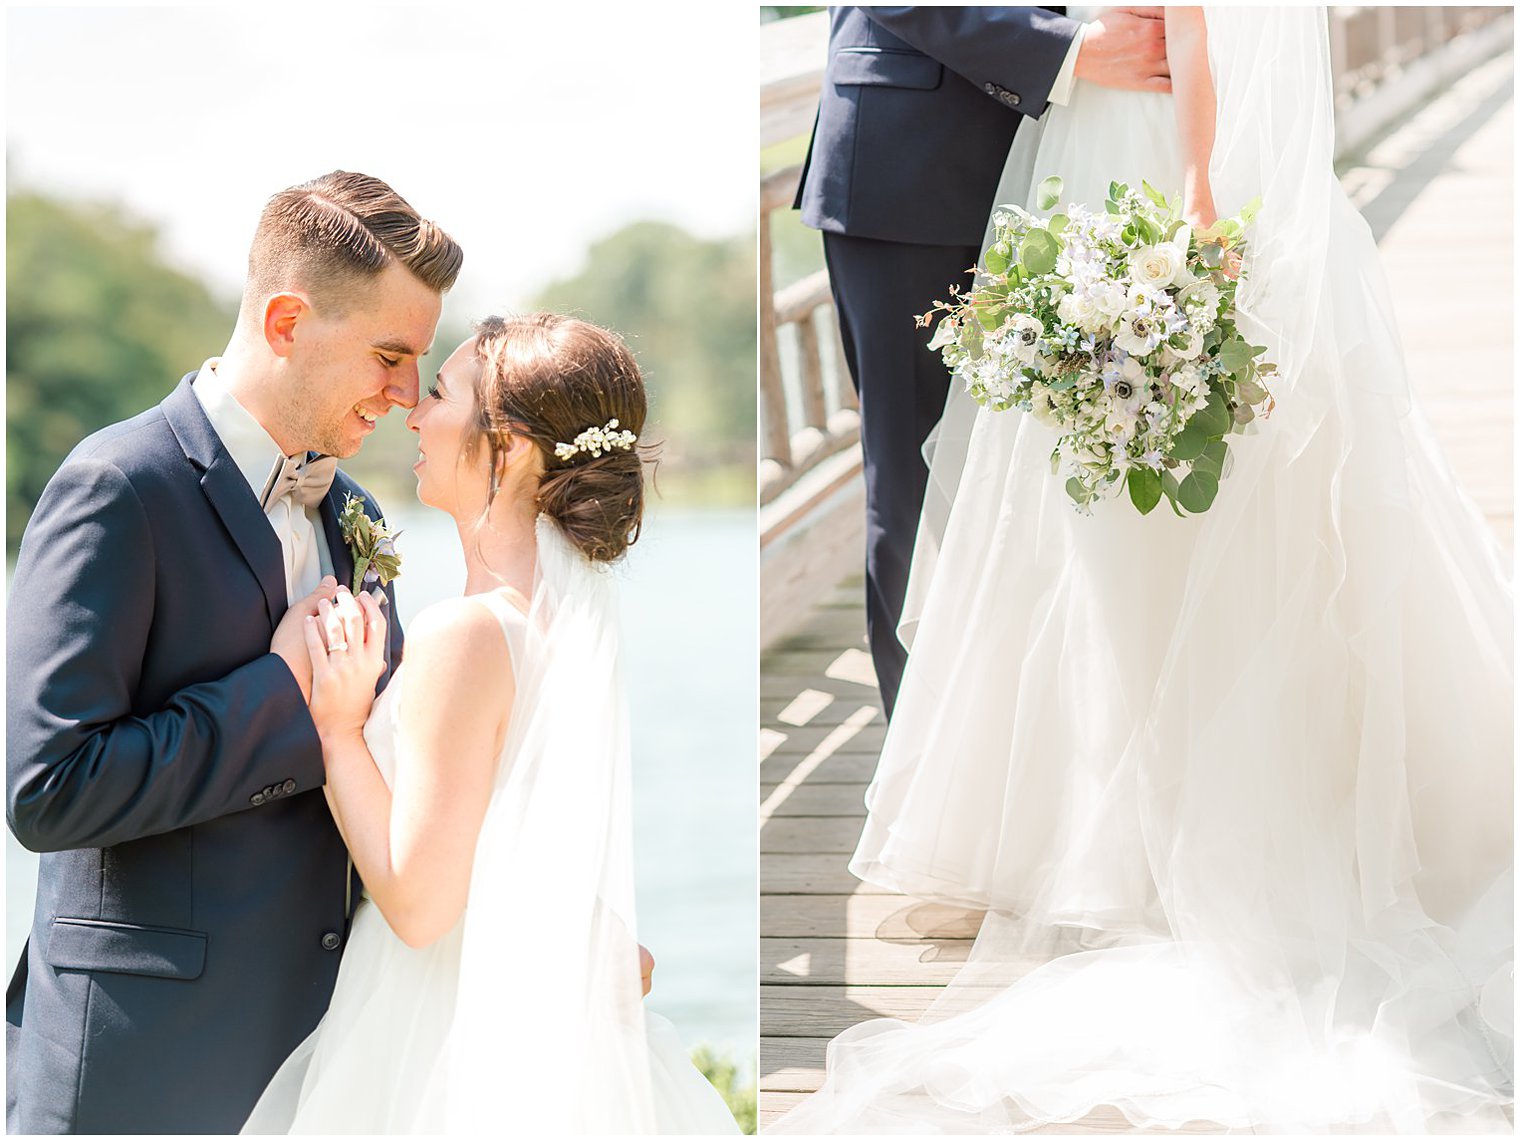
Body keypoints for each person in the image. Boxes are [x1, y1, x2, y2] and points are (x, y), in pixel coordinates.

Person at [779, 7, 1513, 1132]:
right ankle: (966, 826)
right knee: (936, 496)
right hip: (944, 149)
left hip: (1115, 147)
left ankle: (1127, 820)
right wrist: (1067, 58)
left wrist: (1193, 183)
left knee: (1101, 505)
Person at [6, 171, 461, 1134]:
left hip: (326, 1062)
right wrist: (285, 690)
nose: (406, 393)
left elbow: (393, 768)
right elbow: (47, 790)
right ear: (289, 321)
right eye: (389, 354)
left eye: (418, 362)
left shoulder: (357, 515)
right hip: (142, 1066)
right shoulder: (116, 487)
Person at [240, 314, 739, 1134]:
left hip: (441, 1025)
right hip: (522, 1009)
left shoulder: (466, 631)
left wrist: (337, 725)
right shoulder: (559, 613)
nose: (414, 412)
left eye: (439, 393)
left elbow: (418, 902)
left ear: (505, 447)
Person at [793, 6, 1171, 716]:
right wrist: (1067, 53)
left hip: (1077, 165)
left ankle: (1032, 734)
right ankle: (923, 752)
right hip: (913, 173)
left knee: (1064, 464)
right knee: (918, 477)